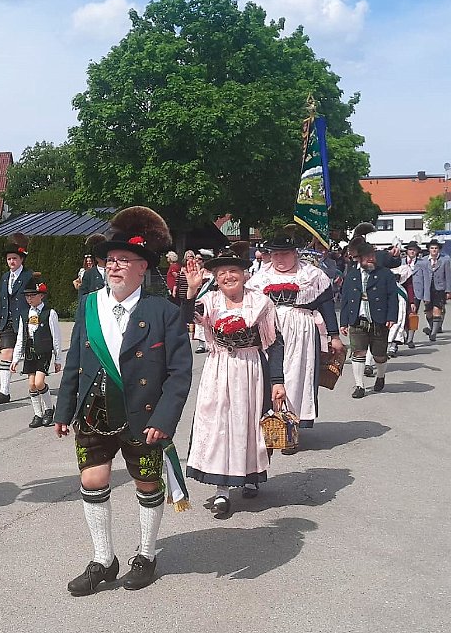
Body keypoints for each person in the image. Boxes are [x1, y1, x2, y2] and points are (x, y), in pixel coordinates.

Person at [54, 206, 192, 595]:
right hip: (94, 410)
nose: (114, 266)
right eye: (110, 260)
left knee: (146, 483)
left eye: (124, 260)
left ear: (142, 268)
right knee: (92, 478)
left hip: (143, 414)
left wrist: (164, 419)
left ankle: (146, 555)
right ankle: (103, 560)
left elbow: (180, 372)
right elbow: (75, 360)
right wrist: (63, 409)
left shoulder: (163, 312)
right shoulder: (88, 304)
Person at [182, 248, 286, 516]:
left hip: (251, 369)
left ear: (244, 275)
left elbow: (275, 343)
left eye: (233, 271)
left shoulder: (261, 303)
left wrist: (277, 381)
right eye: (222, 273)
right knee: (219, 425)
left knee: (250, 423)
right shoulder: (209, 301)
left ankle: (250, 475)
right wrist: (191, 291)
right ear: (215, 278)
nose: (228, 276)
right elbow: (182, 320)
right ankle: (222, 491)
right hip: (218, 368)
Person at [245, 229, 343, 446]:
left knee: (296, 378)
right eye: (276, 254)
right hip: (269, 332)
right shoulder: (259, 279)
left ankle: (290, 430)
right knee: (270, 377)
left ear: (295, 253)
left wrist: (334, 336)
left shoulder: (312, 276)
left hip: (302, 333)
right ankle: (270, 425)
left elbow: (326, 306)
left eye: (285, 254)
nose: (280, 259)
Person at [340, 237, 398, 398]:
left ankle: (380, 376)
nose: (371, 258)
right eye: (367, 256)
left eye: (372, 255)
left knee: (379, 355)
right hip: (358, 320)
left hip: (379, 320)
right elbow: (345, 299)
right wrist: (343, 322)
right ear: (359, 258)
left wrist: (391, 317)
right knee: (358, 352)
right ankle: (359, 385)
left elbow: (392, 297)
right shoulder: (352, 275)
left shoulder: (385, 274)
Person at [10, 273, 62, 428]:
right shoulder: (25, 314)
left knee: (39, 382)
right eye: (27, 296)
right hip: (30, 351)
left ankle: (49, 409)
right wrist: (16, 358)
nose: (29, 299)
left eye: (33, 295)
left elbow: (56, 337)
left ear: (41, 295)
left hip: (44, 351)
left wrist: (58, 359)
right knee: (32, 385)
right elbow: (21, 336)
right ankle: (38, 414)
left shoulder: (50, 313)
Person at [0, 233, 33, 405]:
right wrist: (1, 319)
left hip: (25, 320)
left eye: (15, 258)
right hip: (7, 321)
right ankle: (4, 391)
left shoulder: (29, 276)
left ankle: (35, 386)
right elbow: (2, 299)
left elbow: (36, 298)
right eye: (9, 259)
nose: (11, 262)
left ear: (21, 259)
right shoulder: (4, 277)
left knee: (30, 354)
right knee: (6, 353)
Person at [419, 238, 451, 341]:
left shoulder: (445, 260)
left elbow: (448, 276)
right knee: (428, 311)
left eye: (436, 248)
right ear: (429, 249)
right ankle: (433, 328)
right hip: (427, 289)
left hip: (439, 288)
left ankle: (433, 334)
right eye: (432, 248)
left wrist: (448, 291)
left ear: (439, 249)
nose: (434, 250)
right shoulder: (423, 260)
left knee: (437, 309)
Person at [386, 244, 414, 357]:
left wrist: (411, 301)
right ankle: (384, 345)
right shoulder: (380, 267)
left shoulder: (404, 268)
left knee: (399, 320)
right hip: (385, 296)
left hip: (400, 297)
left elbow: (409, 286)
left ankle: (393, 345)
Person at [405, 241, 426, 348]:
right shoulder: (401, 262)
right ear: (407, 251)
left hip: (416, 292)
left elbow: (426, 279)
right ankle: (404, 334)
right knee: (403, 315)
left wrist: (426, 295)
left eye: (414, 250)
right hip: (403, 291)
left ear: (417, 251)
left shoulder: (422, 263)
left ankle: (410, 339)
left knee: (412, 315)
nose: (412, 252)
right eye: (410, 250)